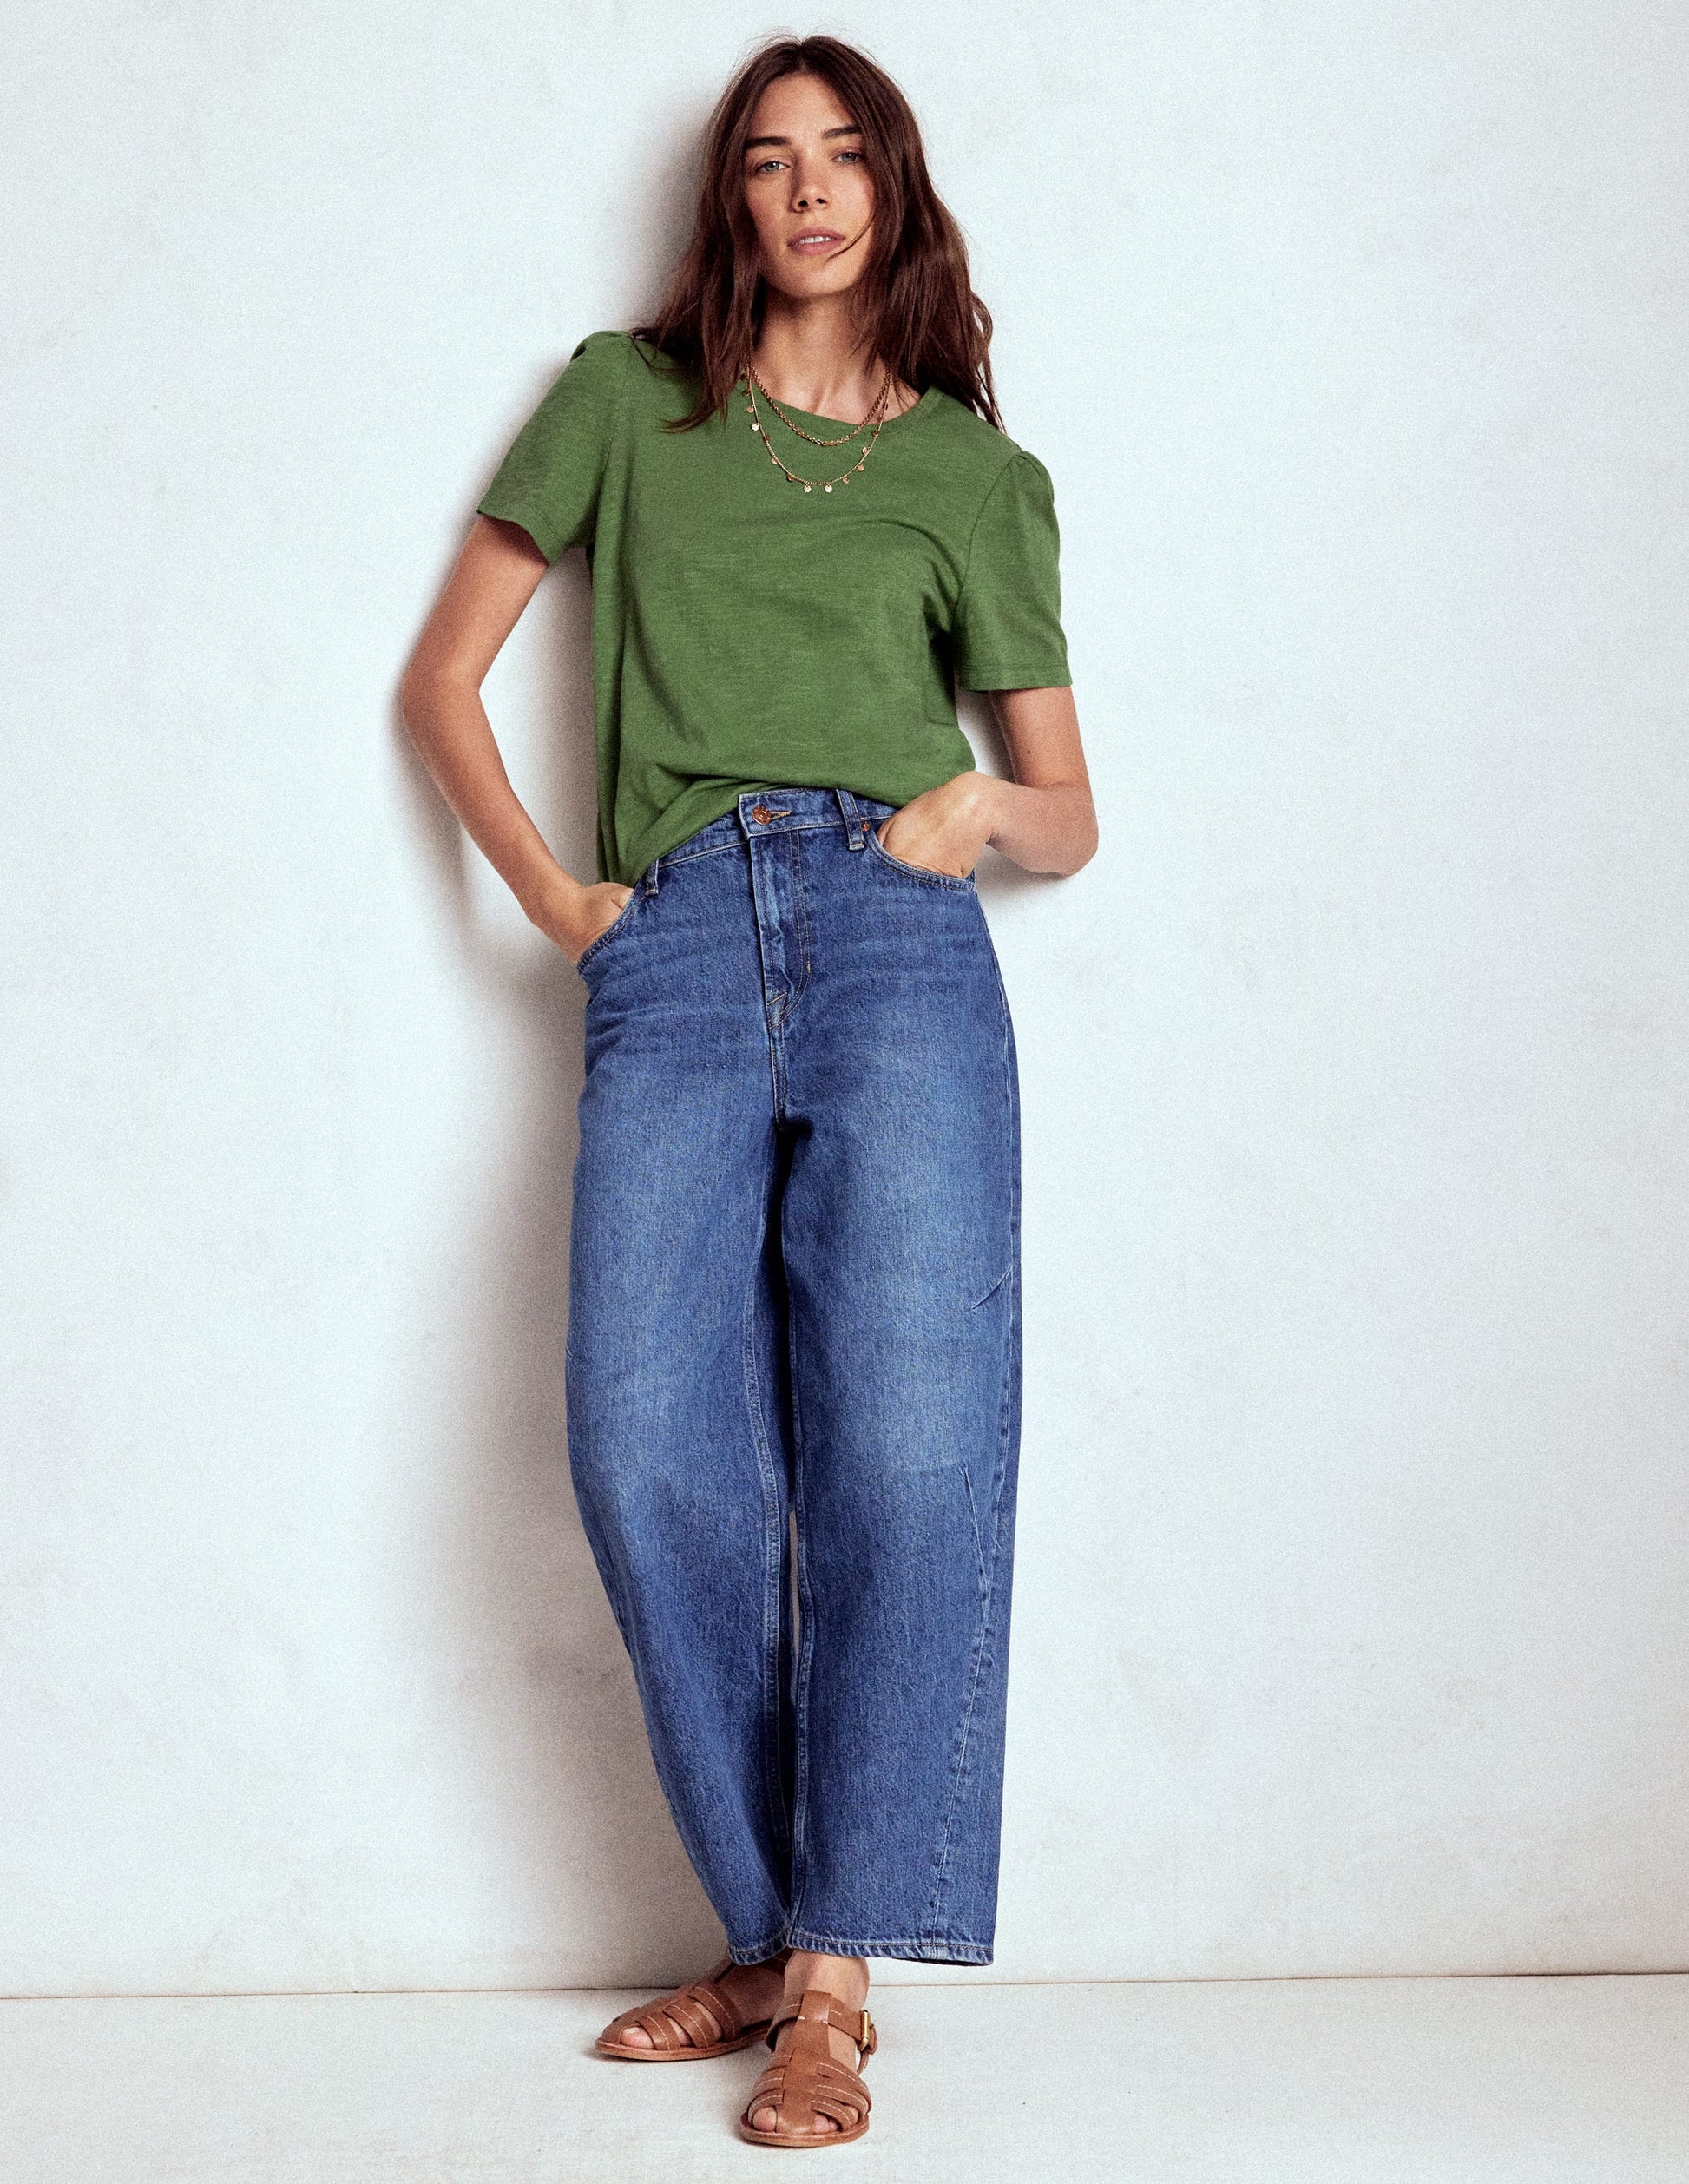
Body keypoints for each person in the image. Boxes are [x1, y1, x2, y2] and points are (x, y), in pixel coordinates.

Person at [400, 32, 1097, 2149]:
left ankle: (829, 1985)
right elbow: (441, 681)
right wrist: (565, 904)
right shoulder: (627, 401)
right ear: (733, 200)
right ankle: (779, 1924)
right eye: (771, 159)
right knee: (644, 1442)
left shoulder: (973, 475)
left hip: (900, 939)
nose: (808, 190)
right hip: (681, 940)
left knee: (906, 1449)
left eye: (844, 153)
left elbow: (1070, 809)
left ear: (894, 187)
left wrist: (979, 810)